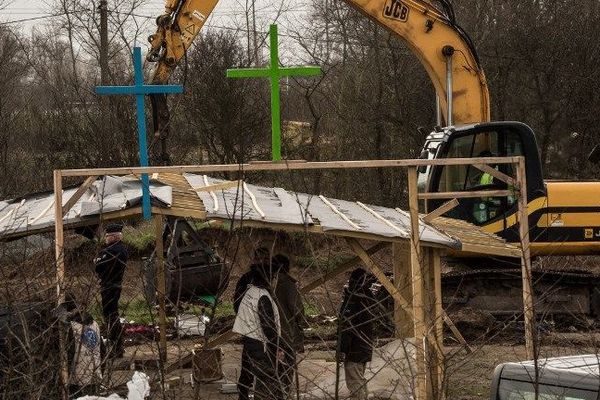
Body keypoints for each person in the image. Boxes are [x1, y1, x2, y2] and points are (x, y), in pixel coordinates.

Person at [232, 260, 283, 400]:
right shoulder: (263, 296)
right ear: (269, 279)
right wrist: (278, 347)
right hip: (261, 345)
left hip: (250, 341)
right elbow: (268, 327)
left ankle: (243, 397)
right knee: (266, 382)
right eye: (274, 278)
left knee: (247, 376)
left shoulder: (250, 292)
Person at [234, 247, 271, 400]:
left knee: (263, 372)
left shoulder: (270, 278)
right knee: (249, 371)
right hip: (253, 332)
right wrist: (247, 318)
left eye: (265, 258)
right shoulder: (247, 279)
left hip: (265, 332)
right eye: (260, 257)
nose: (262, 260)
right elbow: (237, 303)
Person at [339, 268, 376, 400]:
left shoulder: (354, 299)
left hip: (354, 350)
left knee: (355, 384)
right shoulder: (367, 297)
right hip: (363, 347)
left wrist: (343, 349)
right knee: (359, 381)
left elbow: (347, 327)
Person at [272, 254, 306, 398]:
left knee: (274, 372)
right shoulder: (287, 284)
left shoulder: (269, 283)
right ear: (286, 268)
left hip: (271, 334)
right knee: (286, 373)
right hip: (287, 335)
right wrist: (302, 322)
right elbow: (296, 308)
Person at [93, 222, 128, 358]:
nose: (106, 239)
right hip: (116, 285)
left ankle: (116, 346)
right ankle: (117, 345)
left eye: (107, 236)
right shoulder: (123, 250)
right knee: (113, 315)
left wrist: (97, 259)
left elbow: (97, 265)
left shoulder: (110, 251)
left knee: (110, 316)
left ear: (113, 237)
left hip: (109, 286)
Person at [58, 293, 102, 398]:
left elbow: (69, 353)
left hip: (77, 380)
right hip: (95, 375)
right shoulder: (94, 323)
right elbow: (102, 349)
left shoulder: (70, 327)